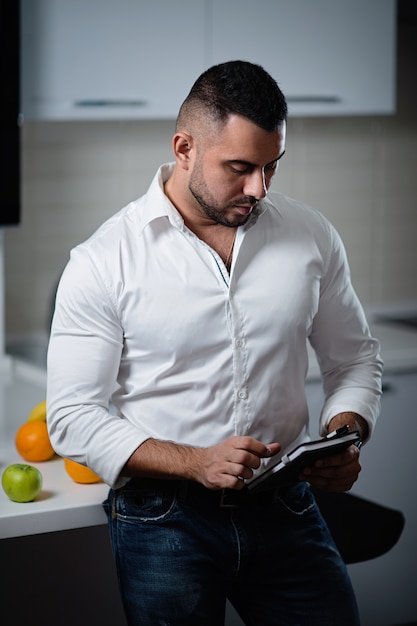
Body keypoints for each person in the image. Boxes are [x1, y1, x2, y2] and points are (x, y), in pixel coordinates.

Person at [47, 60, 383, 626]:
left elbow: (353, 357)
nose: (259, 188)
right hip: (162, 520)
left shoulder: (312, 235)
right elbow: (71, 418)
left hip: (287, 507)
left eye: (271, 167)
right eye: (240, 167)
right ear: (184, 148)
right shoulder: (103, 260)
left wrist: (346, 434)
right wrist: (195, 462)